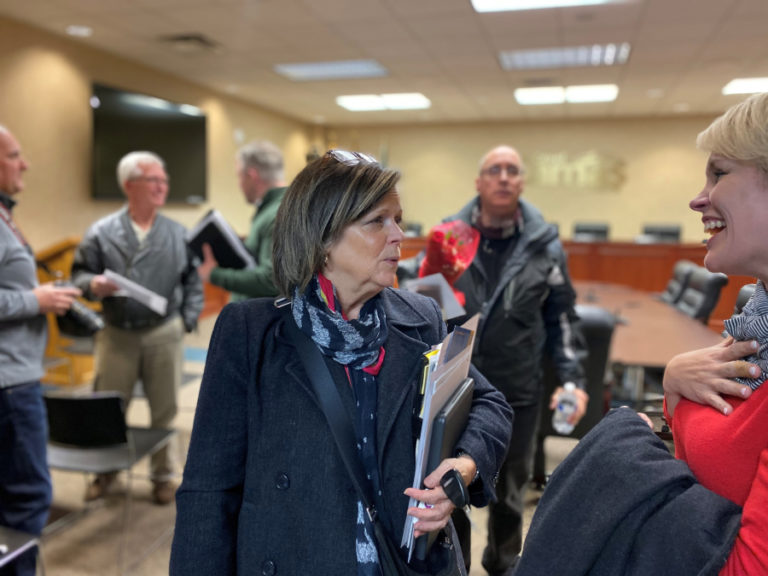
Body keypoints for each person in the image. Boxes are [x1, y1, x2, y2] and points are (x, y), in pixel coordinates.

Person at [170, 149, 513, 575]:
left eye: (398, 219)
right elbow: (208, 492)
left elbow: (491, 404)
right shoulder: (248, 332)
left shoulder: (419, 317)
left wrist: (463, 467)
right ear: (323, 238)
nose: (397, 235)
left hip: (401, 561)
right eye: (377, 221)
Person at [515, 92, 768, 576]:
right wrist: (673, 379)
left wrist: (626, 451)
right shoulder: (758, 321)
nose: (698, 198)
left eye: (719, 173)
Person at [428, 145, 587, 575]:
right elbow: (426, 311)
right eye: (493, 170)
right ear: (478, 183)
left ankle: (501, 564)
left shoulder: (544, 245)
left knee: (509, 493)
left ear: (521, 183)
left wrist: (572, 380)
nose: (503, 177)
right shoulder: (447, 239)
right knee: (448, 486)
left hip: (518, 390)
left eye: (512, 170)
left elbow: (563, 317)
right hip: (455, 390)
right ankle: (454, 566)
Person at [71, 151, 203, 505]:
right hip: (117, 333)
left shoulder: (177, 233)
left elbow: (193, 283)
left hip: (163, 331)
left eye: (164, 181)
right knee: (109, 407)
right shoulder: (101, 233)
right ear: (130, 185)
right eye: (154, 180)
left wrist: (186, 320)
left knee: (165, 407)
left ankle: (163, 476)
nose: (162, 187)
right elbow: (78, 274)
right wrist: (92, 285)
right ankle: (105, 472)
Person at [0, 125, 80, 576]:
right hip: (11, 386)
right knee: (29, 497)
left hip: (15, 376)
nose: (25, 163)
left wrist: (67, 290)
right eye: (14, 155)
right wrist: (36, 301)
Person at [196, 140, 286, 301]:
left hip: (259, 320)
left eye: (239, 176)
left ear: (252, 176)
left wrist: (213, 274)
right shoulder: (274, 208)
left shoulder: (277, 213)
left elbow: (271, 280)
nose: (239, 184)